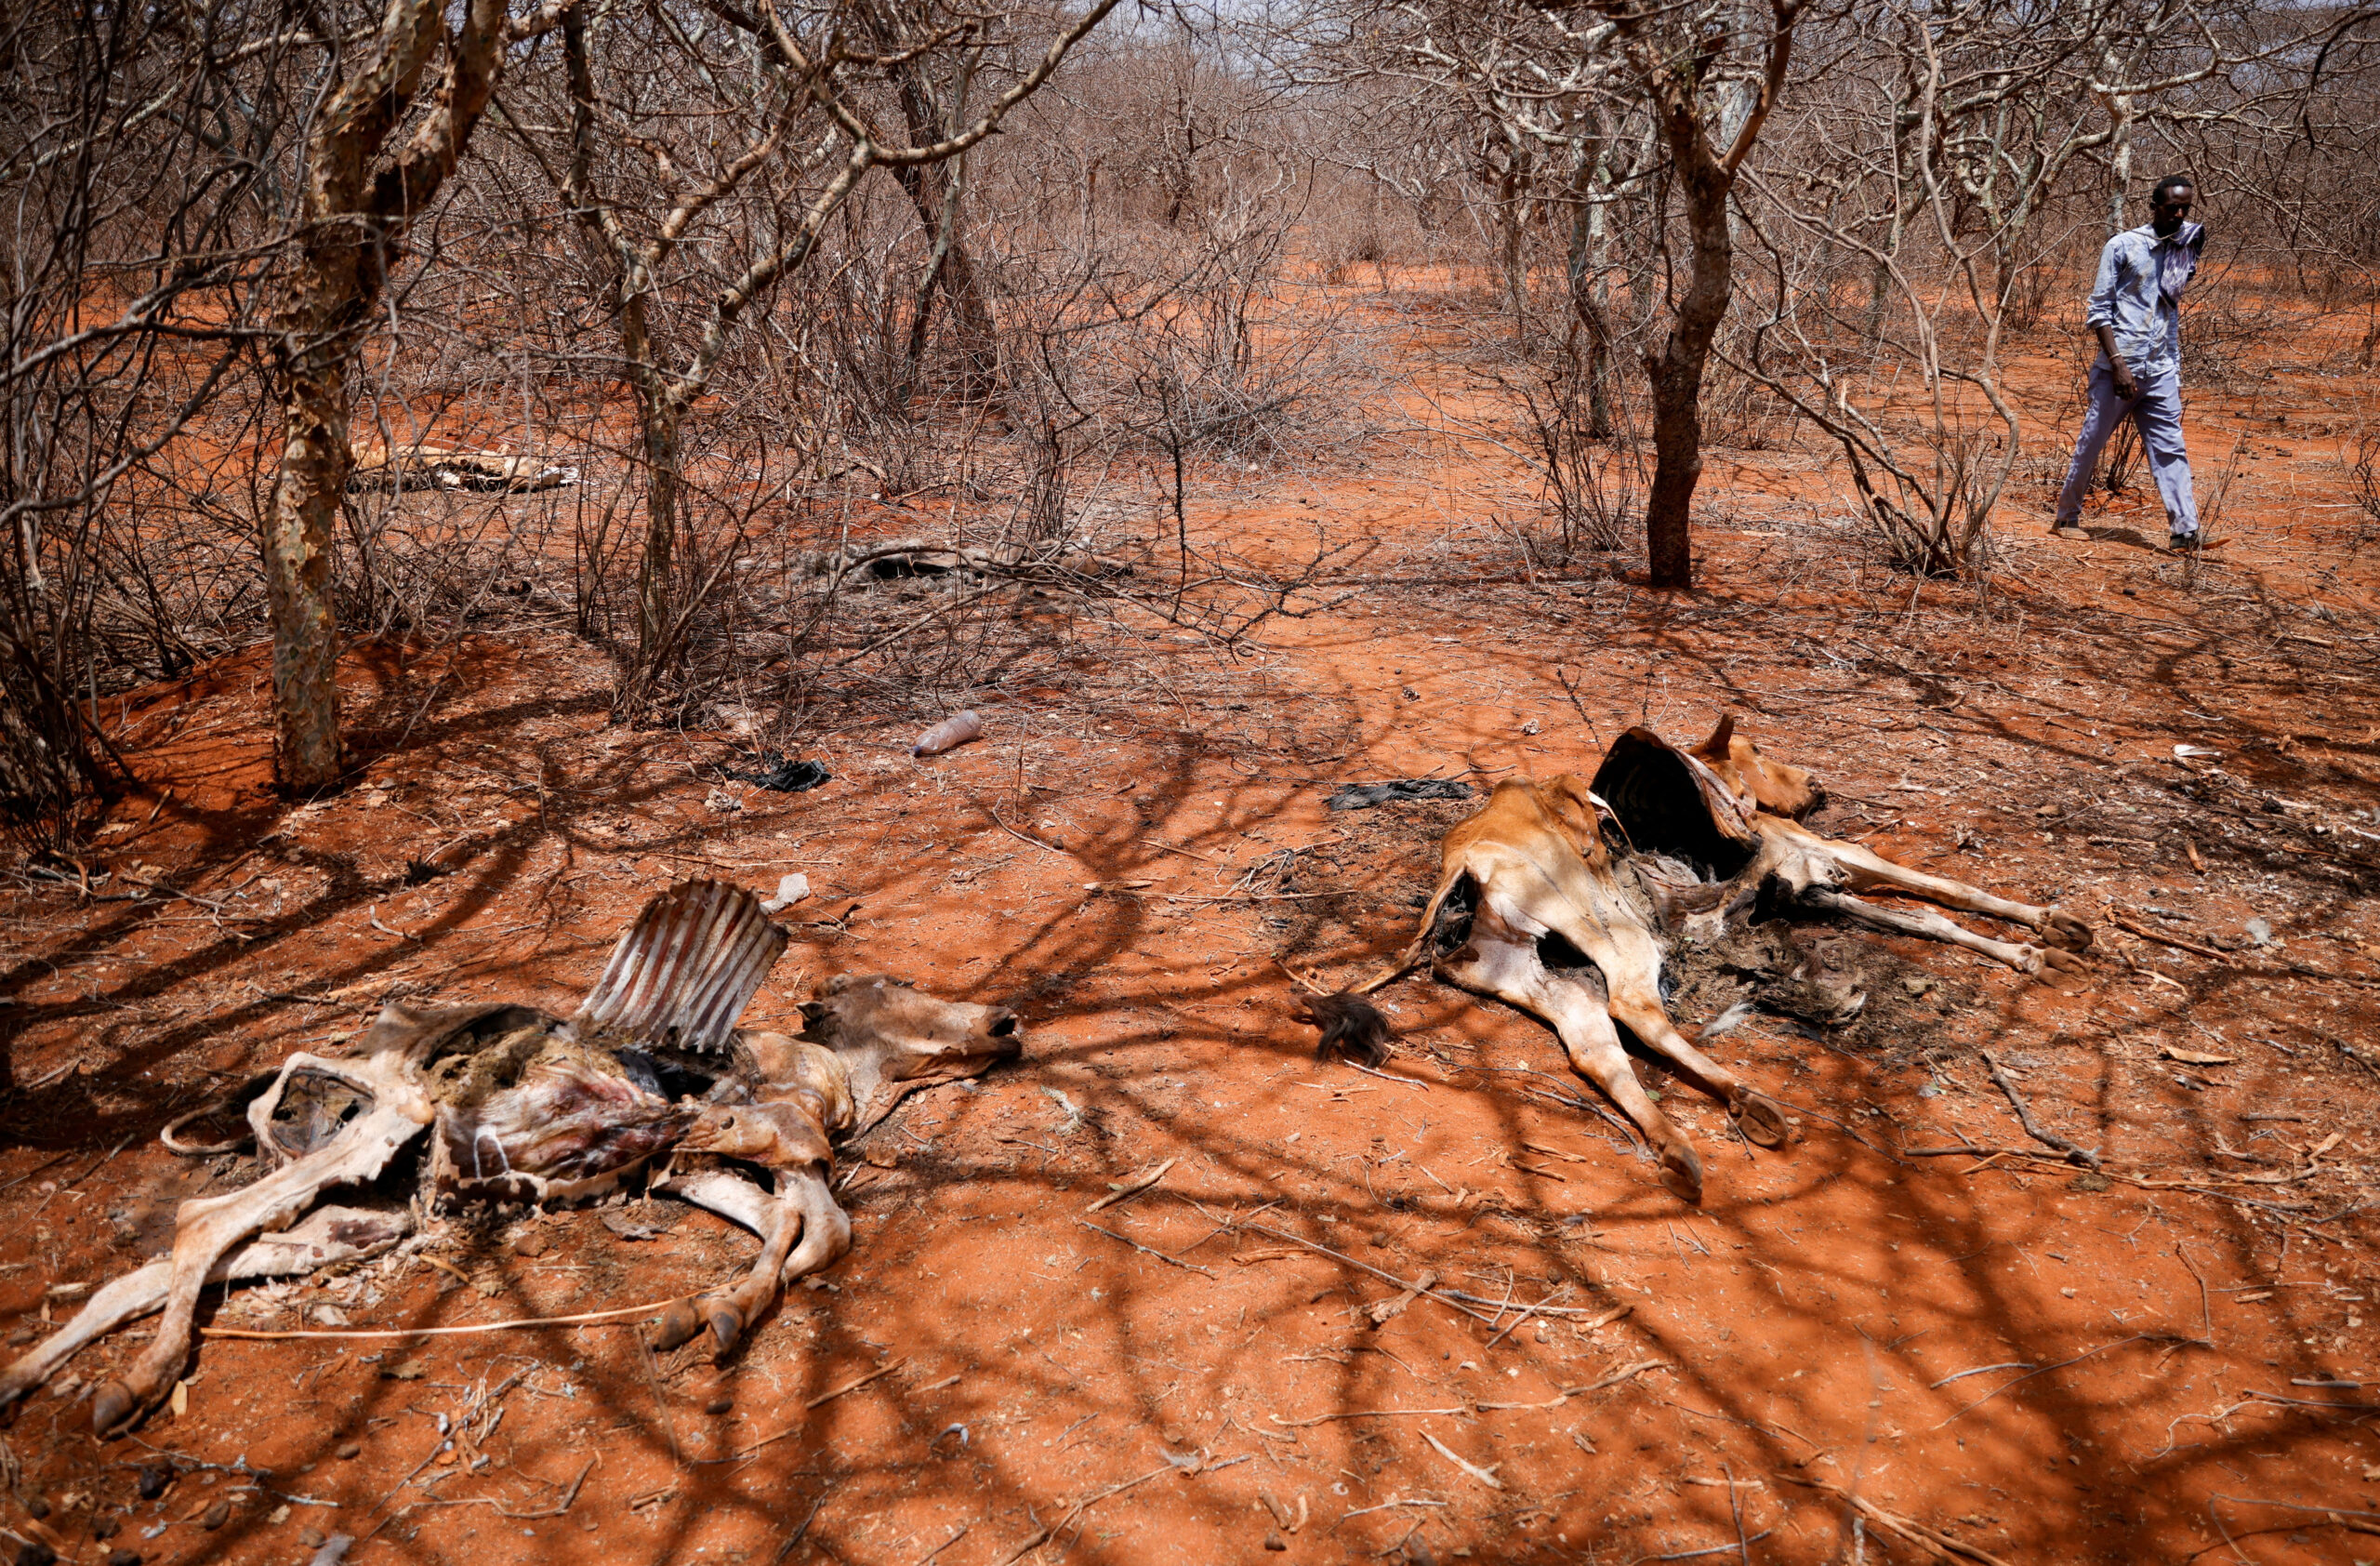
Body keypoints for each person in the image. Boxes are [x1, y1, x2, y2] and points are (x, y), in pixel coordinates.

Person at [2053, 175, 2208, 551]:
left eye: (2186, 206)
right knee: (2092, 442)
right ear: (2153, 204)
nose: (2180, 213)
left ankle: (2184, 532)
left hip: (2161, 366)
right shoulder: (2123, 246)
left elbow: (2167, 310)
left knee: (2171, 448)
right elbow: (2099, 310)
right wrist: (2118, 363)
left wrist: (2172, 365)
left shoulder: (2185, 246)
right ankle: (2066, 516)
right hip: (2119, 368)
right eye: (2172, 206)